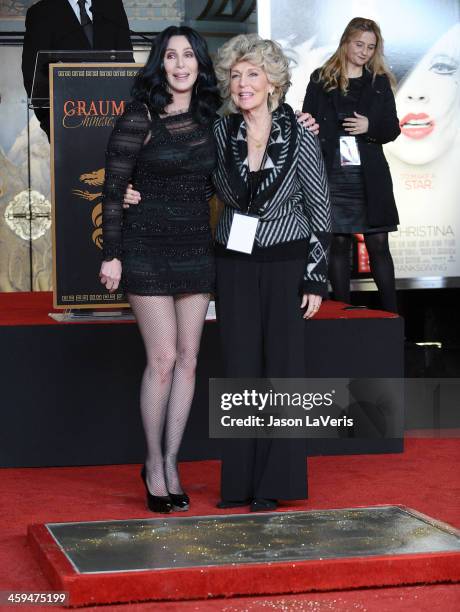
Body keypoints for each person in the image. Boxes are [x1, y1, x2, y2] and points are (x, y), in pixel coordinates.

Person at [99, 26, 221, 513]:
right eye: (170, 56)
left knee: (190, 359)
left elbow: (236, 168)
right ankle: (152, 464)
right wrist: (112, 252)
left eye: (188, 55)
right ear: (159, 64)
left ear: (199, 64)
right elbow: (113, 187)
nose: (179, 64)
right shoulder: (140, 117)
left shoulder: (213, 120)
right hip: (146, 246)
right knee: (164, 358)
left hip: (196, 246)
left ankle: (173, 462)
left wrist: (299, 121)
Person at [212, 34, 331, 511]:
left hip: (286, 264)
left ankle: (273, 484)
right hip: (234, 265)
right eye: (236, 75)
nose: (243, 83)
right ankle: (238, 482)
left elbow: (319, 207)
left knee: (282, 375)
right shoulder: (221, 132)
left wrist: (315, 278)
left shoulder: (300, 132)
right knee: (239, 372)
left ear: (273, 83)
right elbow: (191, 182)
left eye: (253, 74)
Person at [302, 17, 400, 313]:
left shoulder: (379, 81)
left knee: (379, 245)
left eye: (370, 47)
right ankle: (342, 314)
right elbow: (309, 123)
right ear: (345, 42)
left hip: (369, 176)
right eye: (359, 44)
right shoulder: (321, 78)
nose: (364, 52)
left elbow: (392, 128)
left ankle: (393, 315)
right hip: (332, 175)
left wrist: (370, 126)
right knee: (339, 246)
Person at [22, 0, 133, 140]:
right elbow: (33, 79)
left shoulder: (112, 5)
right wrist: (54, 128)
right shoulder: (41, 12)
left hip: (116, 124)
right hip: (68, 127)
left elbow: (127, 66)